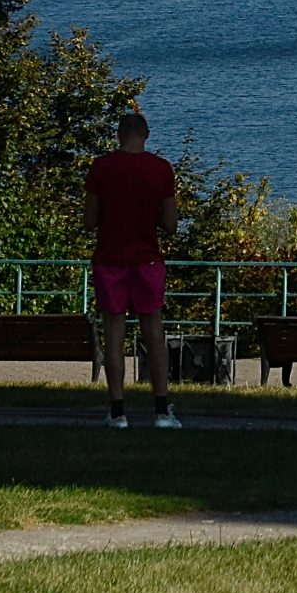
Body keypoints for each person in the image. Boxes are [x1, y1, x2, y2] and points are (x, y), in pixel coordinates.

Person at [86, 110, 180, 429]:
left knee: (114, 333)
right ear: (147, 135)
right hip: (147, 259)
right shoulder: (161, 169)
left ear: (118, 135)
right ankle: (161, 410)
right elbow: (170, 224)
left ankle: (117, 411)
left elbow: (89, 220)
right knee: (154, 332)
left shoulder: (102, 167)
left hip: (110, 258)